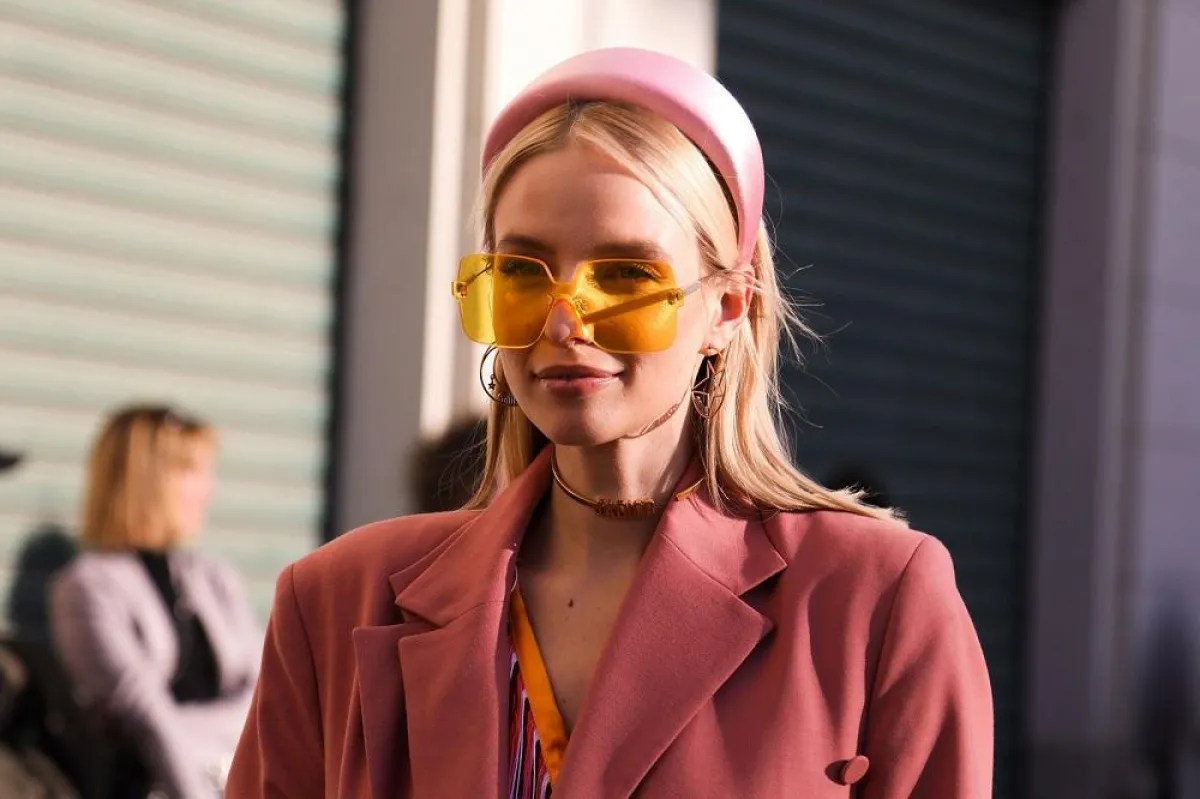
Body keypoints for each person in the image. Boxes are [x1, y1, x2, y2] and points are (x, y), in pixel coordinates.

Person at [228, 48, 993, 798]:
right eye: (522, 273)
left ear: (727, 308)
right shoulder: (335, 601)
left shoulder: (874, 600)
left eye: (626, 274)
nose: (565, 322)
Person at [50, 405, 260, 798]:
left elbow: (263, 696)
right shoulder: (87, 588)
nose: (208, 490)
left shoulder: (214, 577)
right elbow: (143, 714)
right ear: (147, 480)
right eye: (192, 472)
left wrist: (189, 731)